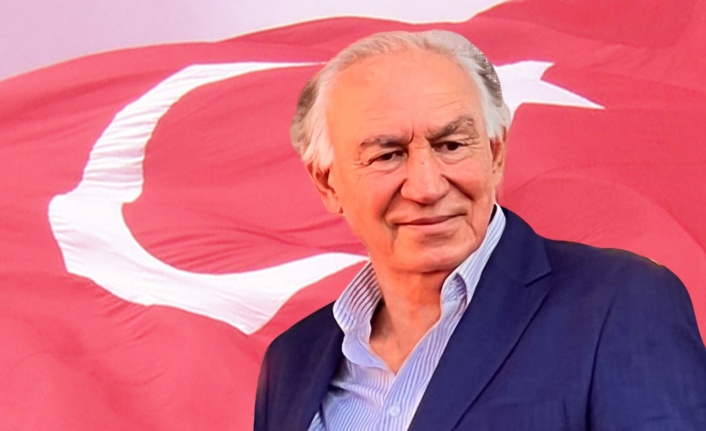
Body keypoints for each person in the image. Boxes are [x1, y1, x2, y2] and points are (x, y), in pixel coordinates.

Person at [254, 30, 706, 430]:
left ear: (495, 154)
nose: (427, 187)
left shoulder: (619, 302)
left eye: (451, 145)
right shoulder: (292, 362)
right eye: (387, 155)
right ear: (327, 183)